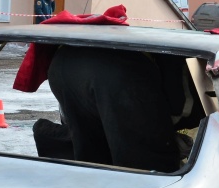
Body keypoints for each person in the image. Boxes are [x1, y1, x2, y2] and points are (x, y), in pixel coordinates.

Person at [47, 46, 203, 171]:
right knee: (144, 167)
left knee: (90, 151)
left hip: (63, 63)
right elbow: (179, 108)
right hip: (115, 73)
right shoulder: (188, 68)